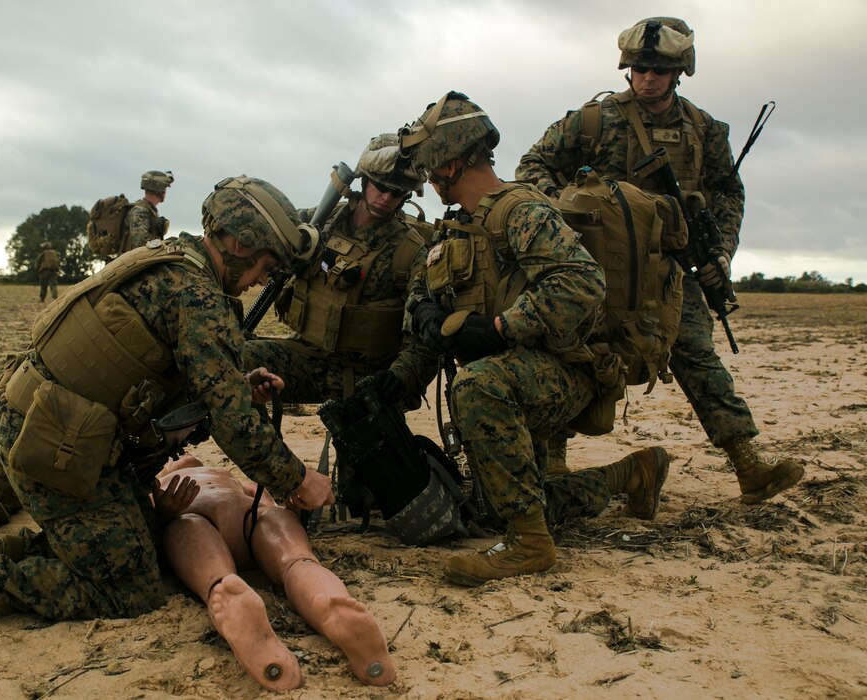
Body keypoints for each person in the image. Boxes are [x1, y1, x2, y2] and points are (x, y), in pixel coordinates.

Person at [0, 175, 335, 639]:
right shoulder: (197, 296)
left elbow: (170, 376)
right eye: (265, 268)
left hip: (58, 432)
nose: (255, 283)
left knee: (141, 544)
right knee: (129, 589)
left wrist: (238, 383)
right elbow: (235, 427)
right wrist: (297, 481)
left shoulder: (171, 261)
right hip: (56, 450)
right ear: (241, 245)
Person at [515, 16, 804, 503]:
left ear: (680, 72)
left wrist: (720, 250)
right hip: (595, 271)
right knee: (568, 351)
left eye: (658, 70)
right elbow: (531, 167)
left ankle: (748, 466)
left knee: (696, 355)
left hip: (667, 272)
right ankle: (556, 465)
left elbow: (727, 192)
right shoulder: (592, 121)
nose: (647, 78)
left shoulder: (704, 130)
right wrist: (571, 210)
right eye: (639, 69)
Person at [397, 91, 672, 584]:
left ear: (452, 162)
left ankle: (529, 543)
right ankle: (631, 474)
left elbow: (582, 282)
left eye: (430, 166)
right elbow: (424, 279)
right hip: (520, 373)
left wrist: (502, 327)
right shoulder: (457, 224)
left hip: (566, 370)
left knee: (477, 387)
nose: (427, 178)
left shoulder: (521, 212)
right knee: (493, 501)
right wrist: (423, 313)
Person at [158, 456, 395, 691]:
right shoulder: (158, 482)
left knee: (292, 553)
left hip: (246, 516)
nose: (180, 458)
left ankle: (327, 604)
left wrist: (289, 510)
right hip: (199, 517)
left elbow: (268, 502)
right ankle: (232, 591)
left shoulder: (228, 476)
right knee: (293, 561)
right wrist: (164, 512)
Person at [243, 133, 437, 408]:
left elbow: (424, 334)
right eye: (381, 186)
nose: (386, 197)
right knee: (236, 363)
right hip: (306, 357)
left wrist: (400, 376)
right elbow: (266, 240)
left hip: (367, 379)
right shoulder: (321, 221)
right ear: (365, 180)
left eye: (397, 192)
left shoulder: (410, 252)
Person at [125, 170, 174, 250]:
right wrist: (164, 245)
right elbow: (140, 241)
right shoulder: (140, 211)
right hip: (135, 260)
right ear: (159, 189)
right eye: (164, 188)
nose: (165, 192)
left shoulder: (150, 210)